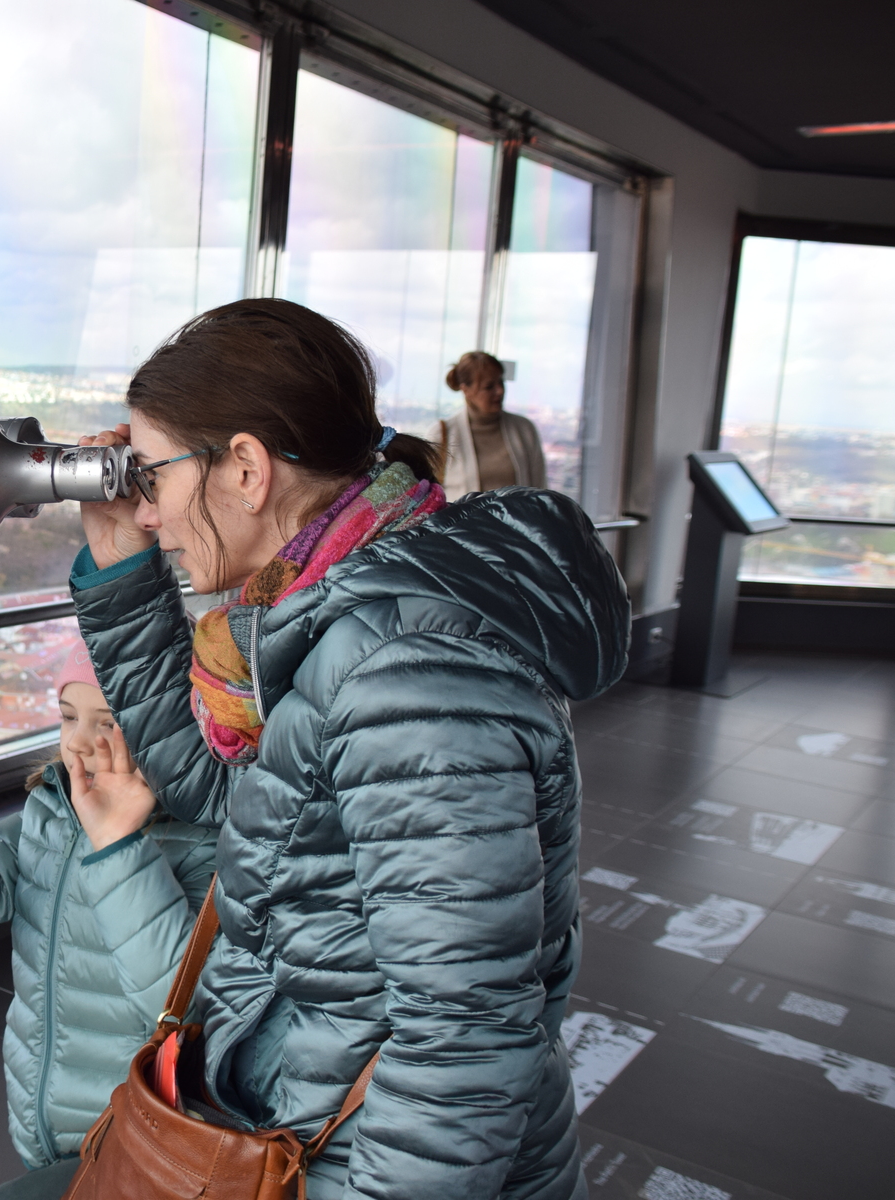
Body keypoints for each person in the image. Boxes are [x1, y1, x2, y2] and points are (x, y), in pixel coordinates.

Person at [69, 299, 629, 1199]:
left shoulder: (411, 675)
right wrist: (119, 570)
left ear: (246, 469)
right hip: (308, 1107)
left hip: (363, 1153)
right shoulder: (323, 612)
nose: (147, 512)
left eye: (154, 475)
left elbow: (463, 1037)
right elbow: (228, 798)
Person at [0, 649, 216, 1196]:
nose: (79, 741)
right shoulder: (50, 810)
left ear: (169, 731)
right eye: (67, 716)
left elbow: (179, 1004)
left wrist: (119, 845)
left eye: (107, 722)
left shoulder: (202, 844)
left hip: (140, 1134)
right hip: (42, 1114)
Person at [438, 349, 547, 499]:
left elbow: (540, 491)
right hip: (463, 515)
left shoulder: (524, 429)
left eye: (501, 382)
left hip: (519, 515)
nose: (500, 391)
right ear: (466, 390)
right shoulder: (443, 433)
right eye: (489, 387)